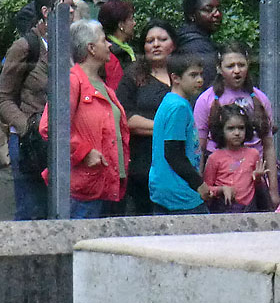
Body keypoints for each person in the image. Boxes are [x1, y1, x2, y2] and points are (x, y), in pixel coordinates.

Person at [39, 19, 130, 219]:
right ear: (91, 48)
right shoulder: (72, 81)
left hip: (106, 187)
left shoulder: (104, 86)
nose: (110, 45)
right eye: (104, 40)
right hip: (84, 192)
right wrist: (84, 152)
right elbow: (50, 126)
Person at [0, 0, 72, 220]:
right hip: (29, 142)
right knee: (32, 211)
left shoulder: (71, 44)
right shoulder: (25, 47)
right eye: (67, 7)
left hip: (64, 141)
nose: (72, 11)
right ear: (46, 12)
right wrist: (26, 127)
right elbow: (4, 96)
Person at [193, 42, 280, 209]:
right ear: (219, 68)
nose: (237, 70)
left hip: (253, 178)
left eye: (241, 65)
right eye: (230, 66)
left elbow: (268, 146)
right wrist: (199, 185)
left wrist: (273, 191)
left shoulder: (260, 98)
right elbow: (200, 148)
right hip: (221, 178)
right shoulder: (206, 100)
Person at [115, 19, 179, 215]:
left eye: (162, 39)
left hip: (179, 160)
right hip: (144, 162)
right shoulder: (133, 75)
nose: (156, 44)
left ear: (173, 44)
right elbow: (125, 117)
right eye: (150, 41)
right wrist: (165, 127)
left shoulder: (185, 74)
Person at [148, 53, 211, 214]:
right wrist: (198, 183)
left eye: (201, 75)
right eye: (193, 75)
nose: (200, 80)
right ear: (176, 78)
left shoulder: (169, 101)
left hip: (165, 189)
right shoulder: (178, 107)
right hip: (180, 194)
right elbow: (173, 153)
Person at [203, 104, 265, 213]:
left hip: (249, 208)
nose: (237, 133)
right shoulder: (215, 158)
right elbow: (206, 188)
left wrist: (258, 178)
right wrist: (222, 189)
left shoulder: (253, 154)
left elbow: (257, 186)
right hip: (223, 208)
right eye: (231, 128)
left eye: (241, 128)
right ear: (221, 130)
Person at [177, 0, 222, 88]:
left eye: (218, 9)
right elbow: (211, 88)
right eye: (208, 9)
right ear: (192, 15)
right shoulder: (197, 47)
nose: (217, 14)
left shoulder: (189, 40)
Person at [98, 0, 136, 69]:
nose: (134, 23)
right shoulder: (111, 53)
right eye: (131, 19)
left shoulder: (128, 47)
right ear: (121, 25)